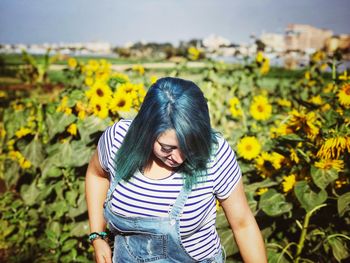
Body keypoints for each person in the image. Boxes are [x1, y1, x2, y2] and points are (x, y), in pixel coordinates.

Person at [85, 77, 267, 263]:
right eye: (167, 148)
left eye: (190, 145)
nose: (180, 158)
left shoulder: (215, 154)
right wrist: (97, 236)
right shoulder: (117, 140)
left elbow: (243, 224)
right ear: (146, 131)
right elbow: (96, 175)